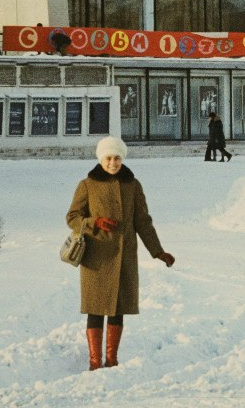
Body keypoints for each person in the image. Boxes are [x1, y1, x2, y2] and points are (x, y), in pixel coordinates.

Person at [66, 135, 175, 372]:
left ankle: (112, 359)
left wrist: (158, 251)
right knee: (95, 309)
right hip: (96, 259)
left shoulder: (133, 186)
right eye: (108, 158)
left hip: (125, 256)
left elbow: (143, 222)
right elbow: (72, 218)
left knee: (118, 308)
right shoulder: (87, 184)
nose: (113, 163)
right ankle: (95, 362)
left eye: (117, 158)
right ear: (100, 159)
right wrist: (95, 222)